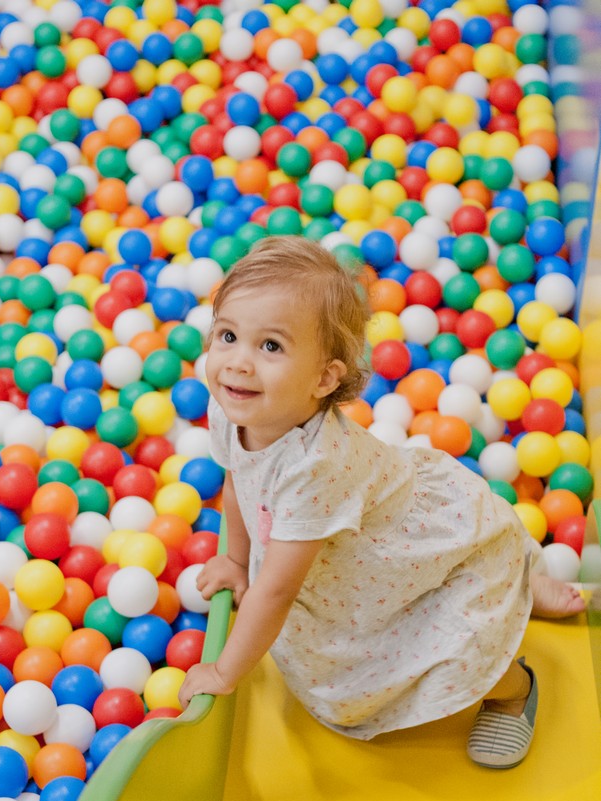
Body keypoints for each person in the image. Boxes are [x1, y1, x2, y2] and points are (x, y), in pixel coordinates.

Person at [178, 237, 585, 768]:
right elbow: (238, 479)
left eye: (271, 346)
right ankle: (522, 583)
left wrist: (223, 671)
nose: (237, 363)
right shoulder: (234, 405)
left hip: (406, 551)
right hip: (360, 564)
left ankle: (513, 688)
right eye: (228, 335)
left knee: (449, 646)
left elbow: (275, 590)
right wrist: (236, 561)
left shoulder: (313, 468)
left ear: (324, 377)